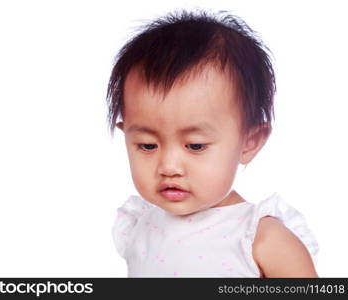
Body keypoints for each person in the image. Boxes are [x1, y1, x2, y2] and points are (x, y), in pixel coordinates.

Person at [106, 9, 319, 277]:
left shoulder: (261, 240)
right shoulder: (139, 228)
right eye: (148, 145)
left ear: (249, 142)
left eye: (195, 146)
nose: (169, 166)